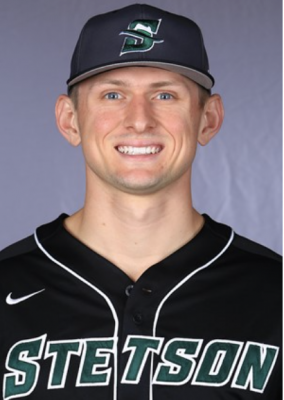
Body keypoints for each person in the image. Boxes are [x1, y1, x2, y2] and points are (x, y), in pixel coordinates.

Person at [0, 4, 281, 400]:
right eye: (113, 94)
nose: (139, 120)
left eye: (165, 95)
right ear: (70, 120)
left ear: (208, 119)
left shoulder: (277, 293)